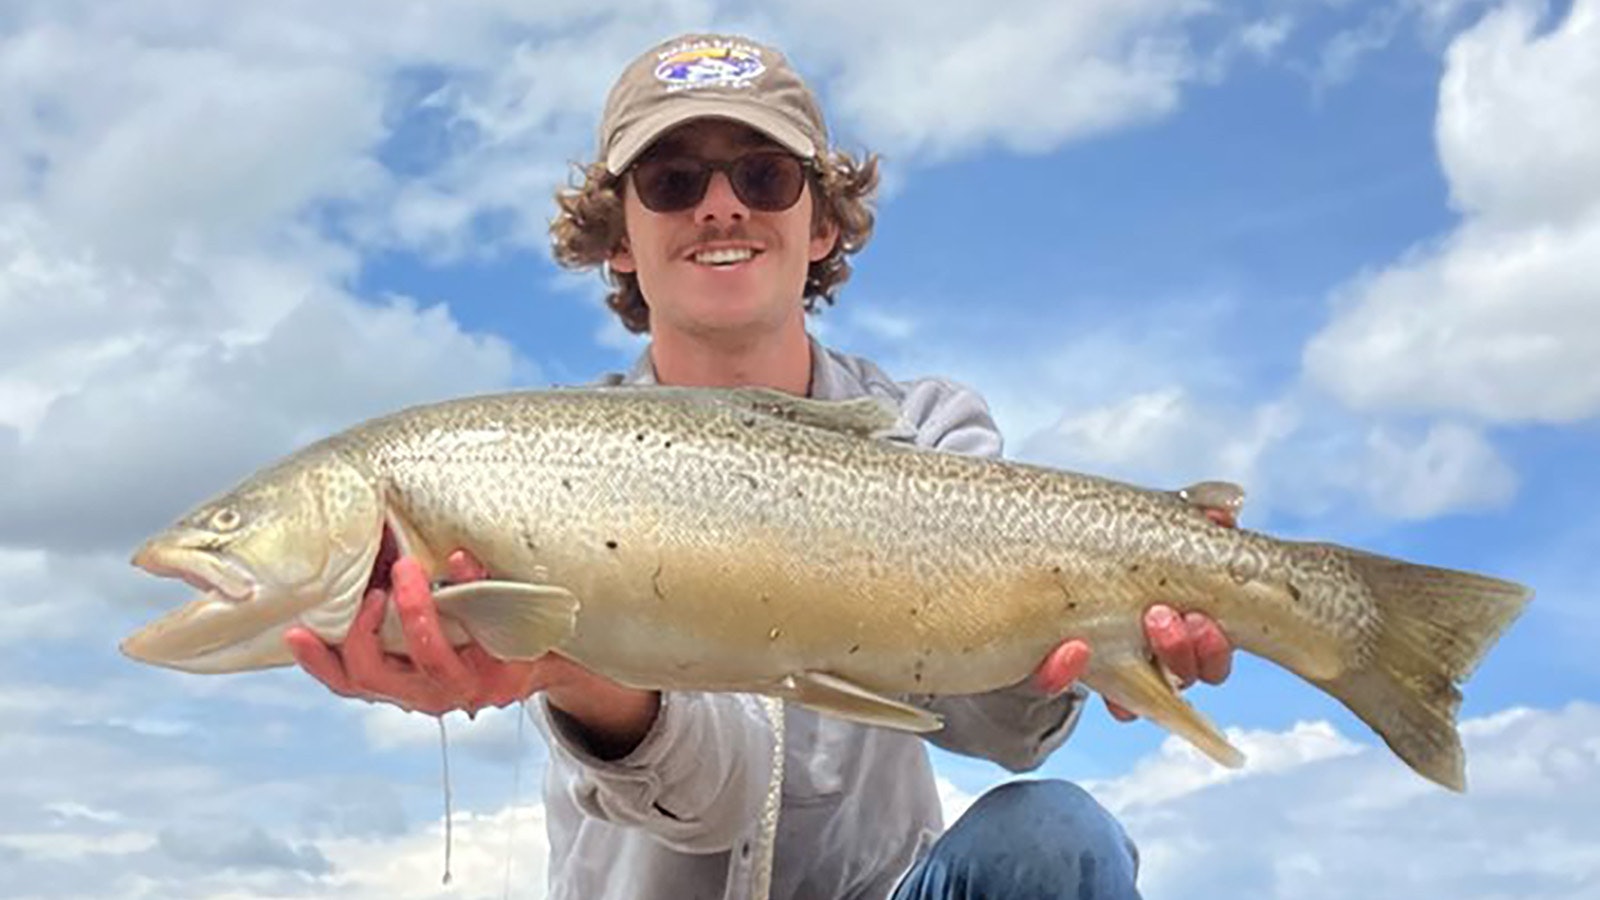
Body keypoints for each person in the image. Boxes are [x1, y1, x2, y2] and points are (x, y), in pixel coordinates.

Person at [285, 32, 1235, 900]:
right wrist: (581, 679)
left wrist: (1088, 649)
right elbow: (716, 802)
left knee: (1054, 838)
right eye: (671, 180)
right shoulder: (545, 470)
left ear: (822, 223)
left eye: (765, 174)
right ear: (619, 236)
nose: (720, 204)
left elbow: (1004, 737)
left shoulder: (932, 428)